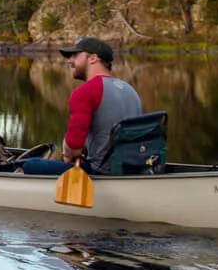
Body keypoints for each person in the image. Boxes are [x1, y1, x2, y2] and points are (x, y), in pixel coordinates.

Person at [20, 36, 143, 175]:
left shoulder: (85, 92)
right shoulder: (130, 90)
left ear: (93, 58)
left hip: (100, 172)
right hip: (133, 169)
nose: (70, 61)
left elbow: (73, 146)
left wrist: (67, 153)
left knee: (30, 165)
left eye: (75, 55)